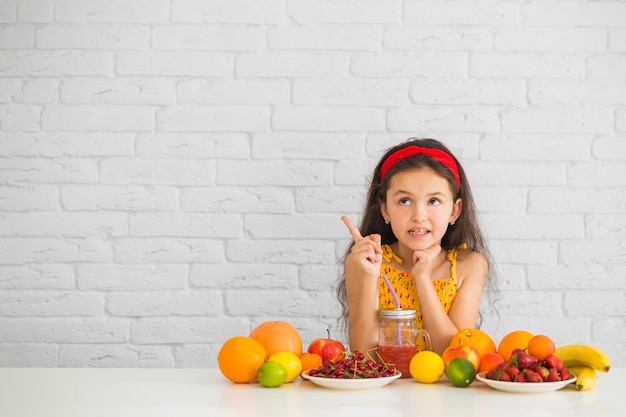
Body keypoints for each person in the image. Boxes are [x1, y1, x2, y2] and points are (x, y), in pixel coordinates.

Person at [336, 138, 497, 355]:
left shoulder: (469, 265)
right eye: (404, 201)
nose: (419, 216)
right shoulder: (364, 262)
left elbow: (453, 354)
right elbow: (365, 356)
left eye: (433, 201)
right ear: (385, 210)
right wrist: (370, 278)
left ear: (454, 211)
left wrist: (422, 278)